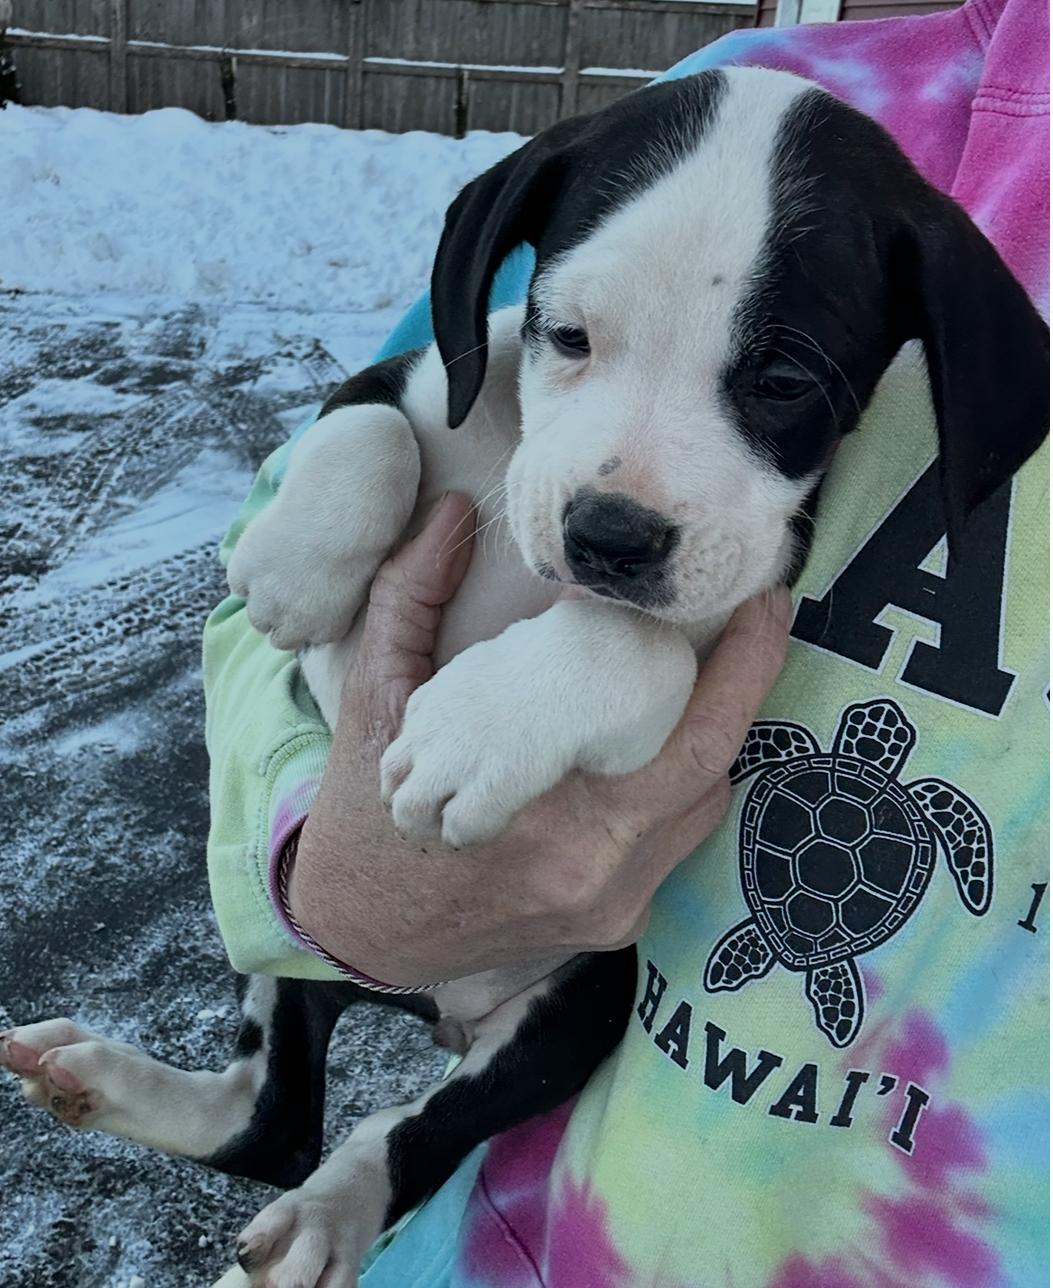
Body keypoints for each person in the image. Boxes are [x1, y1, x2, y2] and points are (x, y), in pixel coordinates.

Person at [203, 0, 1049, 1281]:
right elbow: (266, 589)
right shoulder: (736, 101)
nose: (621, 496)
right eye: (573, 342)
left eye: (777, 383)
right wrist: (324, 859)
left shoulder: (919, 255)